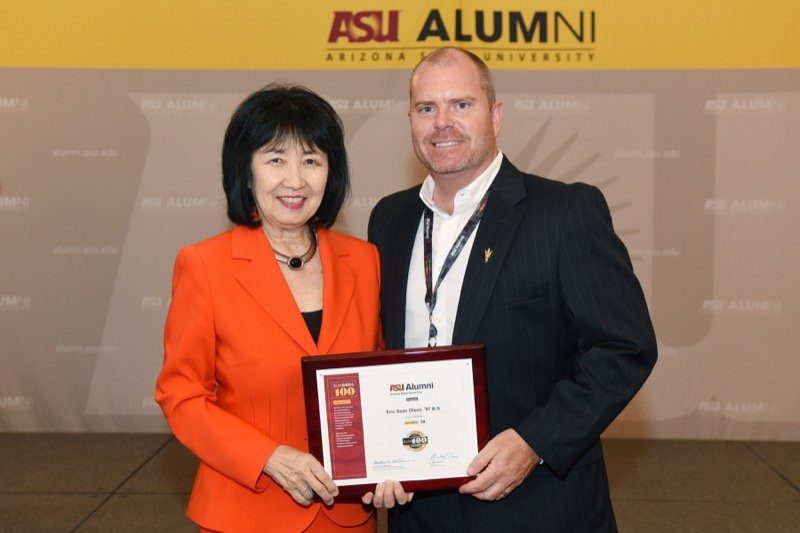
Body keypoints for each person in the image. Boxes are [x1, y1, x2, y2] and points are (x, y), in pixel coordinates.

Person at [367, 48, 658, 531]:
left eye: (461, 105)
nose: (443, 123)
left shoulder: (565, 213)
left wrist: (534, 442)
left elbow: (625, 348)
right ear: (411, 121)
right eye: (426, 108)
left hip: (537, 504)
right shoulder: (389, 219)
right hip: (417, 511)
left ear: (495, 115)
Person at [156, 84, 381, 532]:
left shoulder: (364, 260)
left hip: (347, 513)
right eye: (276, 158)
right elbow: (181, 395)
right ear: (245, 170)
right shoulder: (204, 265)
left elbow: (380, 381)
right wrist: (267, 457)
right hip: (247, 508)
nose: (295, 179)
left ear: (330, 173)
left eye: (311, 160)